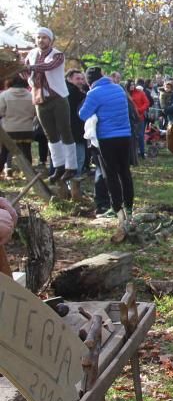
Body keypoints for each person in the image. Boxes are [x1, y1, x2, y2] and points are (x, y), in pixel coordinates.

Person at [78, 66, 135, 241]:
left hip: (106, 138)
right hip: (125, 135)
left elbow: (83, 114)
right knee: (125, 171)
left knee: (110, 173)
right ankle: (129, 206)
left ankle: (116, 207)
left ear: (89, 81)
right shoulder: (118, 88)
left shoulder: (94, 94)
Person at [22, 27, 78, 181]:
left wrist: (30, 68)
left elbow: (49, 66)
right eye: (38, 37)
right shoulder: (31, 54)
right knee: (50, 134)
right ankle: (59, 166)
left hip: (58, 97)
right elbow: (24, 70)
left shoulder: (58, 54)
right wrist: (25, 72)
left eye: (44, 37)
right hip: (40, 99)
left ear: (50, 40)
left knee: (65, 130)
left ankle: (71, 167)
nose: (41, 40)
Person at [0, 77, 36, 175]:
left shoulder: (4, 95)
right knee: (27, 152)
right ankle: (30, 174)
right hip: (27, 129)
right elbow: (35, 113)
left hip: (9, 129)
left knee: (3, 153)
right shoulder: (31, 95)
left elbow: (0, 112)